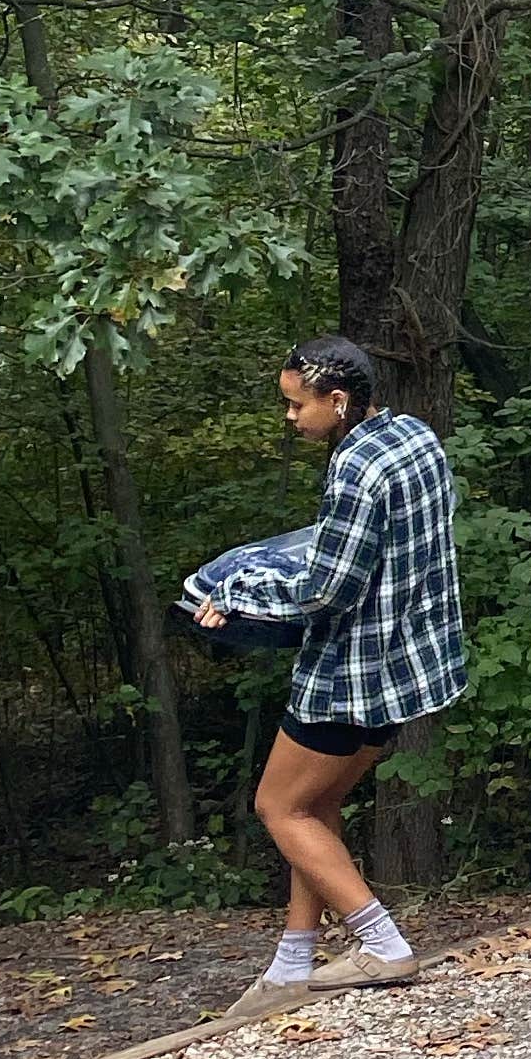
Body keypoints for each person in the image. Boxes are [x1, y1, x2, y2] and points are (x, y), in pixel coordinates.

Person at [192, 337, 466, 1004]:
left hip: (351, 672)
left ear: (337, 401)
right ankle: (292, 965)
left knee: (277, 806)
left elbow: (326, 590)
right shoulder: (412, 438)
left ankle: (383, 944)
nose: (289, 417)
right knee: (316, 805)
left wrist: (232, 598)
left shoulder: (355, 471)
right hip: (404, 666)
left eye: (296, 404)